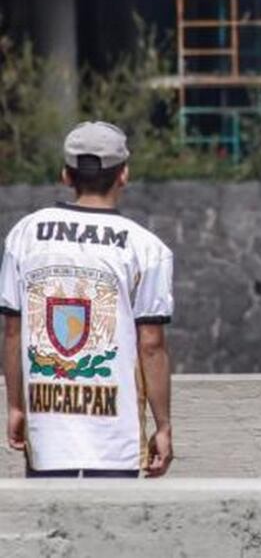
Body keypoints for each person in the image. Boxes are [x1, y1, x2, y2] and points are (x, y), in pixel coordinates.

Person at [1, 122, 174, 478]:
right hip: (117, 439)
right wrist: (163, 425)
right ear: (123, 174)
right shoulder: (147, 247)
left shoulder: (25, 234)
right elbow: (151, 344)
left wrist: (15, 405)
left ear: (66, 175)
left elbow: (13, 332)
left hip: (47, 433)